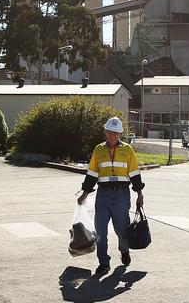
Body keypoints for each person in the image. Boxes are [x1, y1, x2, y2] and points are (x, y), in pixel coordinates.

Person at [77, 116, 145, 277]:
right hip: (103, 195)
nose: (112, 135)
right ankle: (104, 263)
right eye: (110, 132)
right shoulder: (98, 150)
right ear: (105, 132)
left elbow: (134, 174)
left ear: (120, 134)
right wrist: (84, 194)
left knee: (121, 229)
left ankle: (124, 250)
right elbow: (92, 173)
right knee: (100, 230)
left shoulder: (128, 150)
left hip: (122, 194)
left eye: (115, 133)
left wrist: (140, 194)